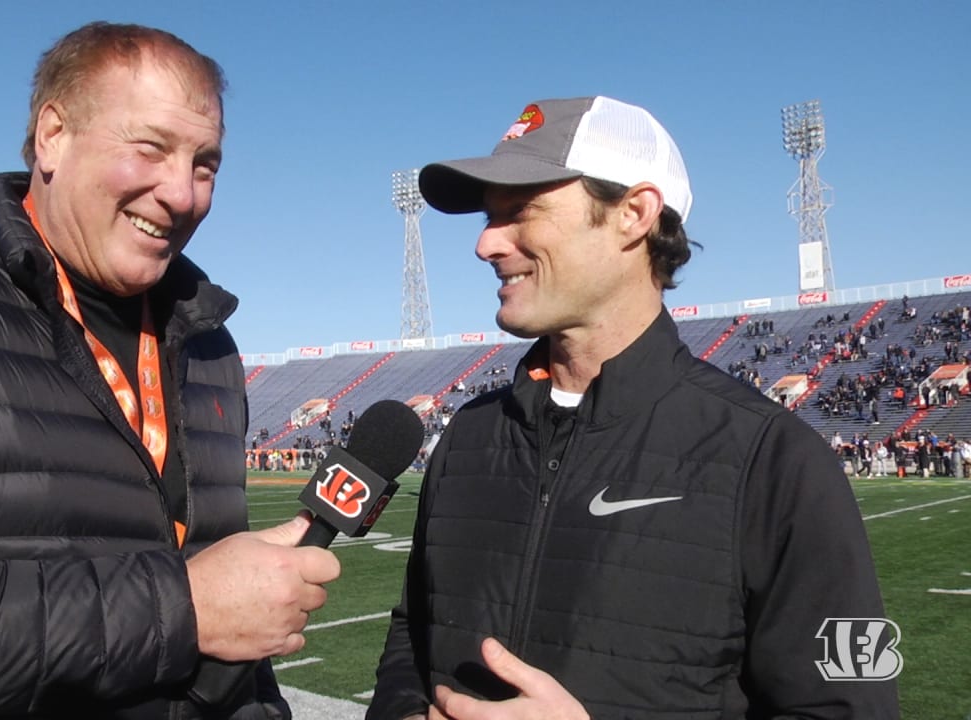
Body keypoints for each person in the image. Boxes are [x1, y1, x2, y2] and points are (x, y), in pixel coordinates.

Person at [0, 22, 339, 720]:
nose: (182, 193)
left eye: (206, 164)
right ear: (52, 134)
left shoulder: (210, 346)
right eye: (151, 148)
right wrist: (184, 607)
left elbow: (234, 630)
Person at [368, 96, 898, 719]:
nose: (486, 243)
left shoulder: (770, 457)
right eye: (489, 217)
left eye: (521, 211)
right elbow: (413, 633)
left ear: (634, 213)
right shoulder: (469, 436)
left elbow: (847, 708)